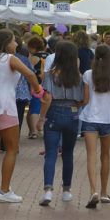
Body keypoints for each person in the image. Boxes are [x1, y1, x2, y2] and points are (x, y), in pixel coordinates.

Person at [0, 29, 41, 203]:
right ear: (6, 43)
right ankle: (4, 190)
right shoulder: (10, 59)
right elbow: (30, 74)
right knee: (12, 149)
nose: (17, 44)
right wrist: (38, 90)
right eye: (13, 41)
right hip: (5, 107)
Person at [37, 42, 84, 207]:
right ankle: (66, 191)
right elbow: (82, 100)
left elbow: (47, 97)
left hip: (54, 112)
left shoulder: (50, 75)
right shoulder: (79, 76)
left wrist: (41, 117)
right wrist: (75, 108)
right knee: (68, 154)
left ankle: (48, 190)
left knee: (50, 154)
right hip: (72, 113)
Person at [81, 45, 110, 208]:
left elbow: (85, 100)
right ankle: (104, 192)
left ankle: (93, 190)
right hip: (108, 120)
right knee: (105, 156)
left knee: (91, 155)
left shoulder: (88, 74)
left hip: (90, 119)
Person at [26, 35, 47, 138]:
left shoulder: (33, 58)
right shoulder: (49, 55)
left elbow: (29, 72)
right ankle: (43, 129)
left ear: (33, 47)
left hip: (36, 86)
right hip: (47, 85)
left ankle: (34, 132)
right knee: (46, 108)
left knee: (34, 108)